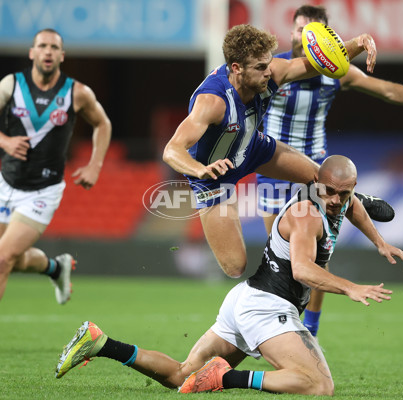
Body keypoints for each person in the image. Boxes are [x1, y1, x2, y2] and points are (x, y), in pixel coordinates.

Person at [54, 155, 403, 395]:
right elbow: (303, 270)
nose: (338, 200)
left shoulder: (337, 200)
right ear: (317, 183)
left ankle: (100, 342)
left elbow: (354, 209)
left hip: (246, 300)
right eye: (332, 192)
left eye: (346, 193)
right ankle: (226, 378)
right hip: (267, 307)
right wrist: (351, 288)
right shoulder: (307, 215)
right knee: (318, 386)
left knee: (182, 376)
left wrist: (381, 244)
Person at [257, 5, 403, 338]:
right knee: (281, 254)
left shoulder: (337, 73)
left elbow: (388, 90)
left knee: (317, 253)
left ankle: (310, 332)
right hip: (273, 169)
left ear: (325, 38)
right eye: (300, 30)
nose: (305, 36)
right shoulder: (274, 70)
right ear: (291, 33)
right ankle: (283, 323)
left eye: (312, 31)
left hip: (315, 173)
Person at [163, 23, 386, 280]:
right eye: (260, 67)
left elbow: (318, 62)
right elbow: (172, 150)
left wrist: (357, 42)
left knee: (322, 178)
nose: (269, 72)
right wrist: (200, 169)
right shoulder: (212, 102)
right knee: (235, 267)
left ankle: (359, 200)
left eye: (268, 63)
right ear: (236, 69)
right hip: (214, 176)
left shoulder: (271, 72)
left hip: (251, 147)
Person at [0, 28, 112, 356]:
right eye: (42, 46)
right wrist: (5, 141)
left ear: (62, 56)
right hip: (6, 185)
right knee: (14, 260)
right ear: (32, 53)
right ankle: (55, 268)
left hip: (43, 191)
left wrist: (95, 165)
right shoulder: (11, 84)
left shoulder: (76, 92)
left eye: (55, 47)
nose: (48, 51)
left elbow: (103, 124)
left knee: (0, 260)